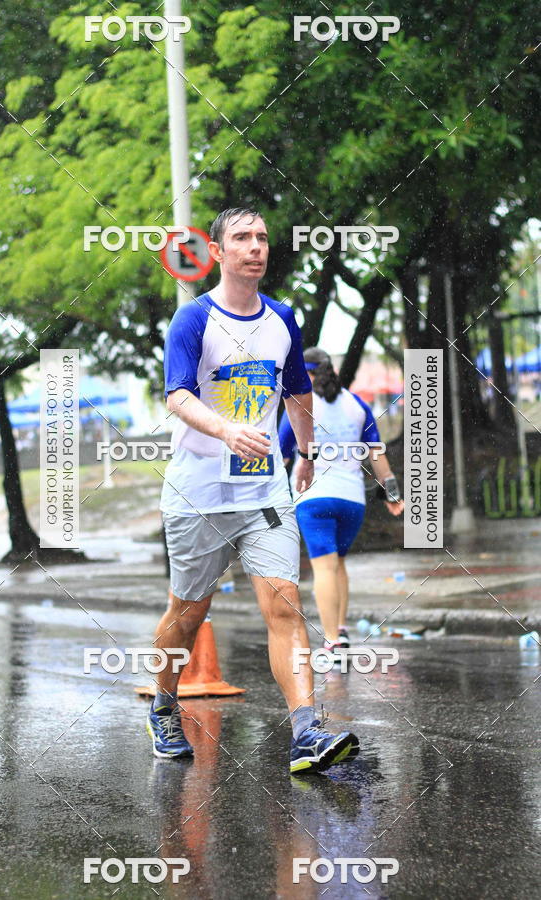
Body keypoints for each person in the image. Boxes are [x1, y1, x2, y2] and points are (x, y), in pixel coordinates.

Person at [146, 208, 359, 773]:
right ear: (217, 252)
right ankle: (164, 706)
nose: (255, 247)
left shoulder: (282, 318)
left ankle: (306, 731)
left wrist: (306, 454)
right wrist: (226, 430)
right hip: (197, 492)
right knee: (187, 614)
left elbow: (298, 392)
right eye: (242, 238)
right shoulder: (193, 319)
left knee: (285, 604)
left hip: (263, 491)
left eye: (262, 237)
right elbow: (177, 394)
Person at [279, 347, 404, 655]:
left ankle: (332, 641)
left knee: (324, 568)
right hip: (351, 501)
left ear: (305, 372)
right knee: (338, 564)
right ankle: (342, 631)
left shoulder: (298, 403)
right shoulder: (357, 404)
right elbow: (376, 452)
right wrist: (392, 494)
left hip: (314, 498)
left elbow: (281, 457)